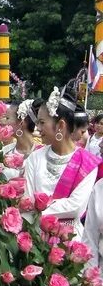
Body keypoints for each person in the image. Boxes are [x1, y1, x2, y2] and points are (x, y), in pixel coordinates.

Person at [24, 87, 100, 238]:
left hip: (69, 241)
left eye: (42, 122)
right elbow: (27, 199)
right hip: (35, 237)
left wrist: (39, 209)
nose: (38, 129)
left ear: (60, 126)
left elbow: (76, 207)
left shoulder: (87, 163)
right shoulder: (35, 157)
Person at [1, 97, 41, 178]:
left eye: (7, 118)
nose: (4, 123)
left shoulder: (41, 154)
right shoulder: (3, 152)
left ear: (22, 123)